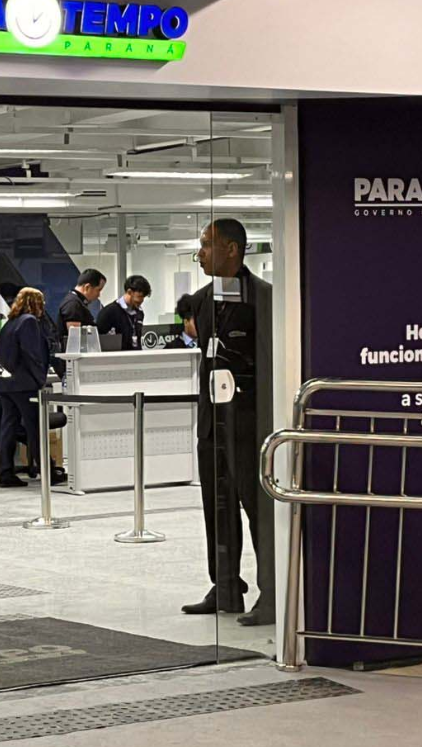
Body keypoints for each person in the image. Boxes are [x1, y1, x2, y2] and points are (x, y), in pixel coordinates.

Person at [182, 218, 275, 627]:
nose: (200, 254)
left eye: (206, 245)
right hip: (213, 424)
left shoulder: (264, 298)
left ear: (232, 249)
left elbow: (269, 362)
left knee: (259, 511)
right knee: (217, 509)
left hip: (251, 424)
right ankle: (224, 586)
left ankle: (272, 592)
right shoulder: (202, 300)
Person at [0, 287, 54, 488]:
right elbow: (32, 355)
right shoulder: (29, 322)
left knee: (8, 428)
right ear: (35, 303)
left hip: (6, 384)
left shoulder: (9, 323)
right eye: (41, 303)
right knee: (35, 428)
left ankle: (5, 472)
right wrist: (40, 380)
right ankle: (47, 471)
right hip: (25, 384)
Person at [95, 275, 152, 350]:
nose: (141, 300)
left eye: (143, 297)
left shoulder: (139, 313)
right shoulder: (109, 312)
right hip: (117, 356)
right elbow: (98, 340)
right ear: (129, 292)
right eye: (139, 296)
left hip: (135, 355)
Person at [56, 268, 106, 346]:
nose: (99, 295)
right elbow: (75, 338)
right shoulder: (73, 304)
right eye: (98, 290)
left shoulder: (76, 302)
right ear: (87, 287)